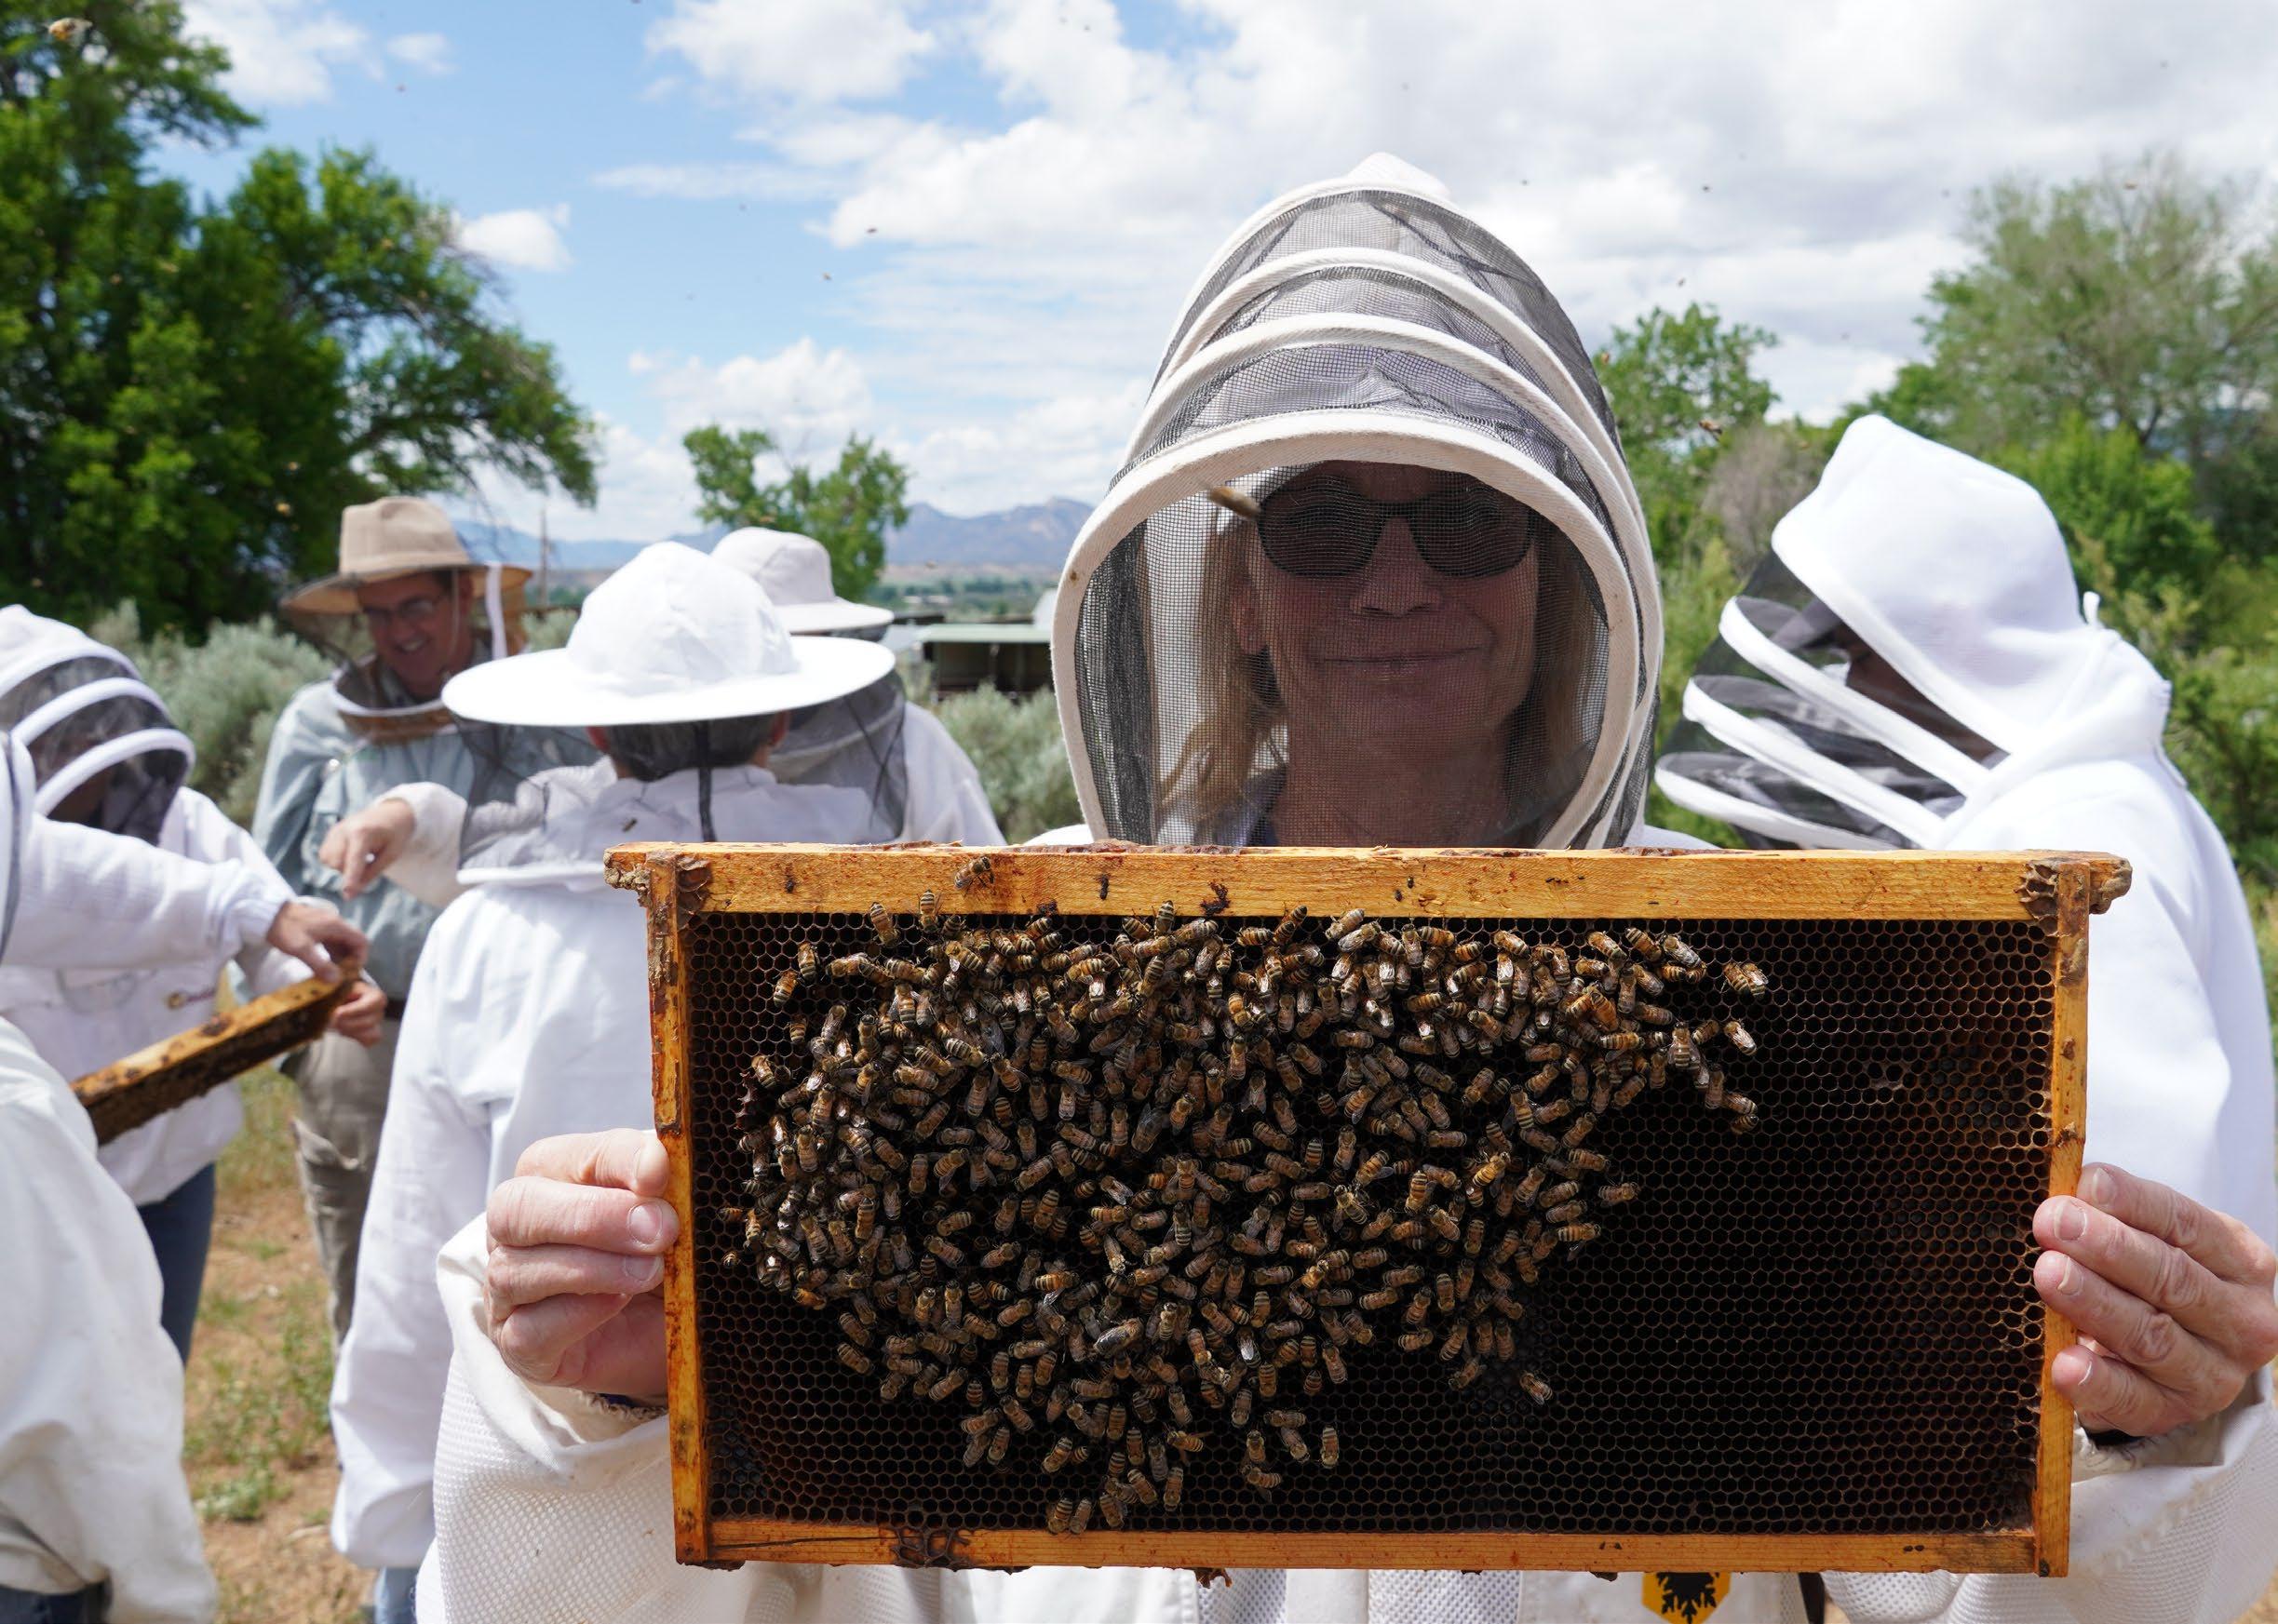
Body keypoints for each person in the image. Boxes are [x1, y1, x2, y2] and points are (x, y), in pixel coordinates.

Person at [432, 161, 2278, 1623]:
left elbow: (1941, 1579)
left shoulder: (1764, 1004)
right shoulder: (987, 979)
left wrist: (2147, 1444)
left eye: (1462, 520)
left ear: (1557, 572)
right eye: (1322, 523)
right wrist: (591, 1404)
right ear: (1236, 591)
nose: (1397, 581)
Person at [327, 544, 898, 1620]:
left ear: (592, 730)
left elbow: (413, 1245)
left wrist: (395, 1519)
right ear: (782, 720)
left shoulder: (484, 935)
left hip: (546, 1482)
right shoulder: (889, 922)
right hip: (836, 1468)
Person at [0, 735, 367, 1624]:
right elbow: (87, 1435)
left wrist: (288, 946)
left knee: (144, 1361)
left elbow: (52, 872)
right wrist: (167, 1600)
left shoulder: (179, 829)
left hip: (160, 1167)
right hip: (52, 1177)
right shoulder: (15, 1113)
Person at [0, 610, 385, 1361]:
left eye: (87, 731)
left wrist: (326, 987)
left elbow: (270, 924)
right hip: (40, 1189)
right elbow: (63, 878)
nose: (79, 754)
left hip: (175, 1170)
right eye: (57, 739)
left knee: (158, 1366)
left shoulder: (189, 825)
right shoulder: (17, 862)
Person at [254, 495, 592, 1342]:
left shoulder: (534, 707)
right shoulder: (314, 725)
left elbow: (588, 857)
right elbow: (263, 892)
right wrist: (317, 993)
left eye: (414, 606)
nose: (397, 632)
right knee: (377, 1287)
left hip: (516, 1028)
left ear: (460, 597)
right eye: (377, 614)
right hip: (364, 1040)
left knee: (524, 1270)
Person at [316, 528, 1003, 903]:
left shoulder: (913, 744)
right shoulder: (642, 775)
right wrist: (410, 812)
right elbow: (543, 834)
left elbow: (993, 884)